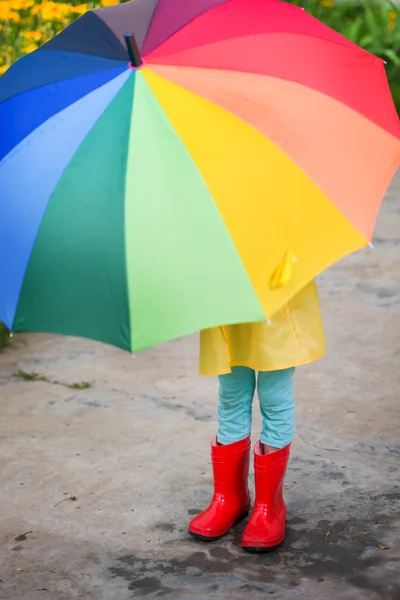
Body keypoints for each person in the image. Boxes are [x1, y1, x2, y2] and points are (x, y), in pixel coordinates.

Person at [188, 280, 325, 552]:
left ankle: (269, 506)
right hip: (226, 290)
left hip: (278, 285)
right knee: (231, 394)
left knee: (274, 397)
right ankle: (230, 498)